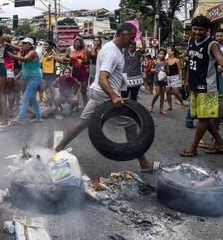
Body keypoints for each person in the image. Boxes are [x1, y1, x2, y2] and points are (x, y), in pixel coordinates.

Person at [55, 22, 157, 172]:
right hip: (104, 93)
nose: (132, 41)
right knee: (130, 124)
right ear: (123, 34)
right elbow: (103, 77)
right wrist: (114, 97)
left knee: (83, 122)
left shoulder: (112, 48)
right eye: (131, 37)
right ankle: (144, 163)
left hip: (97, 91)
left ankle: (58, 148)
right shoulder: (112, 52)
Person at [181, 15, 223, 157]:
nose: (196, 32)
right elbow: (190, 60)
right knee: (202, 116)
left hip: (208, 87)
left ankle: (193, 147)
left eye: (200, 30)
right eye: (194, 29)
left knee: (204, 118)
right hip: (194, 85)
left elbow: (220, 59)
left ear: (207, 30)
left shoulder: (212, 44)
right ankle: (220, 142)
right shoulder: (191, 40)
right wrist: (187, 79)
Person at [8, 38, 42, 125]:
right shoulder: (26, 53)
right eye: (22, 44)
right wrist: (19, 51)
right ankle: (38, 117)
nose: (22, 45)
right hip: (29, 78)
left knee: (25, 99)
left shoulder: (32, 52)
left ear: (30, 45)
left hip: (34, 78)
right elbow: (20, 63)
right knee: (33, 99)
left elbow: (25, 60)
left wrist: (12, 55)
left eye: (25, 44)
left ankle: (19, 119)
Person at [66, 37, 89, 106]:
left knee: (83, 90)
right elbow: (70, 64)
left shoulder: (85, 51)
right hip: (75, 70)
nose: (77, 44)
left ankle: (86, 106)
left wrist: (81, 59)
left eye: (78, 42)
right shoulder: (72, 52)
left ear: (81, 43)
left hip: (83, 70)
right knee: (75, 90)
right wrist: (70, 59)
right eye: (75, 42)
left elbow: (87, 62)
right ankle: (75, 106)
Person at [122, 37, 146, 101]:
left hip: (136, 78)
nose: (131, 46)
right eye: (130, 44)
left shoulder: (138, 53)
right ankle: (123, 111)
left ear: (135, 46)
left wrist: (141, 37)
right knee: (123, 97)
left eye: (133, 45)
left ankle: (132, 111)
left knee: (134, 98)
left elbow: (144, 47)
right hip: (125, 78)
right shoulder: (125, 52)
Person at [41, 40, 64, 108]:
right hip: (45, 74)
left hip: (52, 74)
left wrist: (52, 57)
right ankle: (50, 107)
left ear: (51, 46)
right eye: (44, 45)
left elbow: (61, 60)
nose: (45, 46)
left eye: (46, 45)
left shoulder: (53, 53)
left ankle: (58, 107)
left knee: (53, 92)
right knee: (47, 92)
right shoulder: (44, 54)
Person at [148, 49, 168, 114]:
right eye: (160, 54)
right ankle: (151, 105)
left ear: (165, 55)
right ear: (158, 54)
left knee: (162, 94)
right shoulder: (155, 61)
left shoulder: (166, 62)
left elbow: (168, 71)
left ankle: (161, 108)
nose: (161, 55)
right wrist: (154, 70)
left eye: (163, 54)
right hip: (156, 78)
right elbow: (151, 69)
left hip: (163, 79)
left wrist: (165, 70)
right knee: (157, 93)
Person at [165, 46, 186, 111]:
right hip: (168, 77)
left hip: (175, 77)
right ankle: (169, 106)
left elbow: (180, 70)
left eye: (169, 51)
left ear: (173, 52)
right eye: (167, 51)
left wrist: (181, 79)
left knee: (176, 92)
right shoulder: (166, 60)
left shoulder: (177, 60)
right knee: (168, 92)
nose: (168, 52)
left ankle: (182, 104)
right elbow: (166, 70)